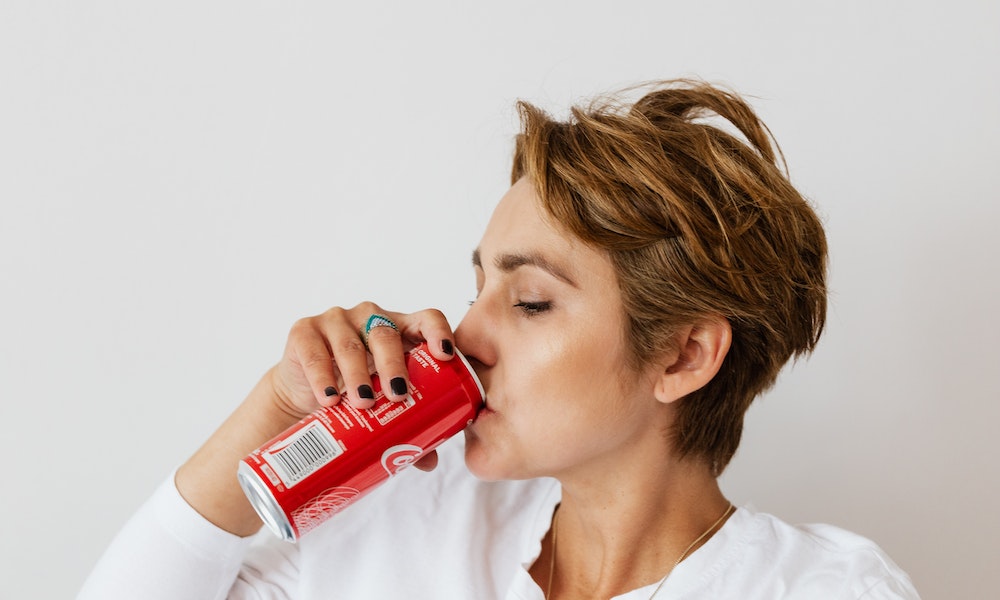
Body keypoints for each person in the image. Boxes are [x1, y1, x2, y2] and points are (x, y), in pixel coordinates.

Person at [78, 79, 920, 599]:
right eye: (477, 285)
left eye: (531, 302)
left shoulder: (823, 590)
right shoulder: (405, 520)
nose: (461, 336)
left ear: (684, 354)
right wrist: (275, 407)